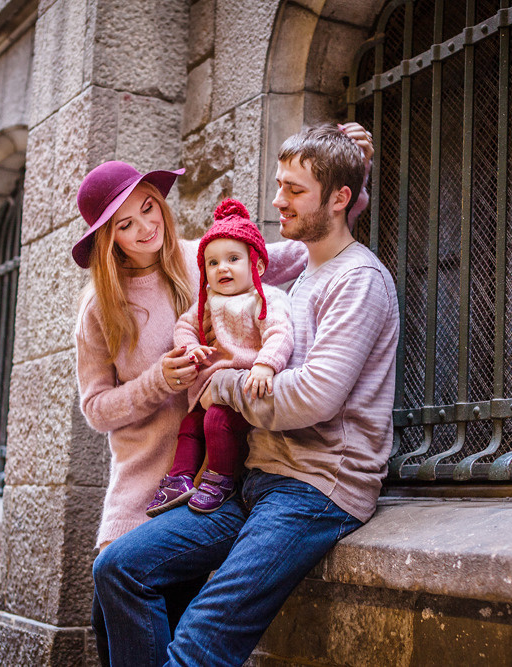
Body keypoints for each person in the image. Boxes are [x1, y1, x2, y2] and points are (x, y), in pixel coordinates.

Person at [91, 123, 399, 667]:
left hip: (313, 487)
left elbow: (315, 395)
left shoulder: (354, 279)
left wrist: (218, 385)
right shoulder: (297, 275)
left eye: (292, 189)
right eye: (124, 224)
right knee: (117, 569)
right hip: (243, 475)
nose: (275, 199)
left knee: (196, 646)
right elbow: (315, 225)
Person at [145, 199, 294, 517]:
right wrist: (190, 349)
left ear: (257, 265)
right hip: (210, 390)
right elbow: (184, 328)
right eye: (212, 263)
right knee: (190, 426)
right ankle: (180, 479)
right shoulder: (207, 302)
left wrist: (266, 365)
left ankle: (222, 479)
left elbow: (279, 334)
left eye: (233, 259)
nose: (222, 268)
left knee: (216, 422)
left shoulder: (264, 299)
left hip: (245, 389)